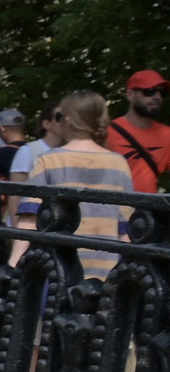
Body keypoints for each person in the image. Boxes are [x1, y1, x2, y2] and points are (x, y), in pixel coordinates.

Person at [17, 89, 134, 276]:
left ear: (68, 120)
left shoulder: (49, 160)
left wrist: (15, 263)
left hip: (58, 268)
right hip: (106, 267)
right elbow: (125, 228)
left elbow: (29, 218)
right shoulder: (119, 164)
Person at [107, 69, 170, 192]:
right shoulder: (106, 132)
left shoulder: (167, 135)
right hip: (111, 202)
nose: (157, 97)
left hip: (148, 204)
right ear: (130, 95)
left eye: (162, 92)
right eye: (149, 91)